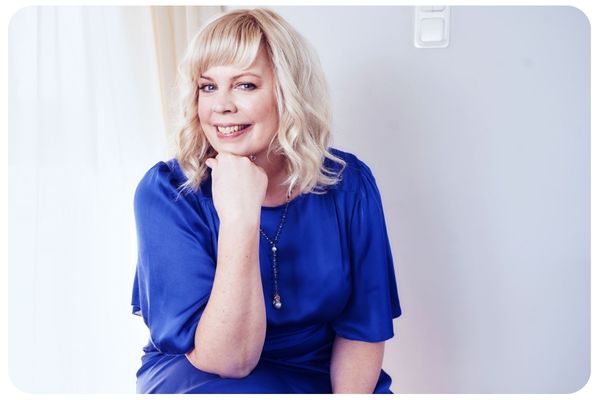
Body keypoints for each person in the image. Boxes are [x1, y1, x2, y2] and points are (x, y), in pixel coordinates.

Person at [130, 8, 402, 394]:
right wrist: (239, 217)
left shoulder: (348, 183)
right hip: (205, 375)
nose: (221, 105)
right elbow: (228, 361)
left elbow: (363, 330)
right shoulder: (169, 192)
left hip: (323, 373)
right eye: (208, 87)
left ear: (287, 93)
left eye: (245, 85)